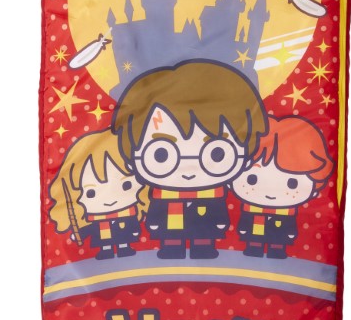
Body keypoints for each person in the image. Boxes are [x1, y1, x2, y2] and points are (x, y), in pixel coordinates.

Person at [112, 60, 268, 259]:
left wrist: (220, 223)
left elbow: (217, 213)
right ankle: (171, 247)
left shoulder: (213, 194)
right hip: (168, 224)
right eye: (161, 154)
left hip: (206, 220)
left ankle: (202, 246)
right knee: (171, 235)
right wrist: (154, 224)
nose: (188, 169)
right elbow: (157, 212)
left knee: (204, 231)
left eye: (217, 153)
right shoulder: (162, 195)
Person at [231, 116, 333, 259]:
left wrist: (290, 233)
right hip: (255, 228)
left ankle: (276, 251)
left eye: (292, 183)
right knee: (254, 242)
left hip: (281, 228)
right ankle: (254, 248)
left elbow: (289, 226)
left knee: (278, 240)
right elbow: (246, 221)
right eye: (251, 179)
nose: (270, 192)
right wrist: (243, 229)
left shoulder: (287, 212)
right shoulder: (250, 209)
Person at [49, 129, 148, 260]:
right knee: (105, 245)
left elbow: (133, 226)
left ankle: (124, 247)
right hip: (88, 265)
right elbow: (91, 229)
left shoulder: (129, 215)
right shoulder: (96, 219)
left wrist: (135, 231)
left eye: (126, 185)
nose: (110, 199)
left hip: (134, 249)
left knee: (124, 241)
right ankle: (107, 250)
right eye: (91, 193)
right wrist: (81, 233)